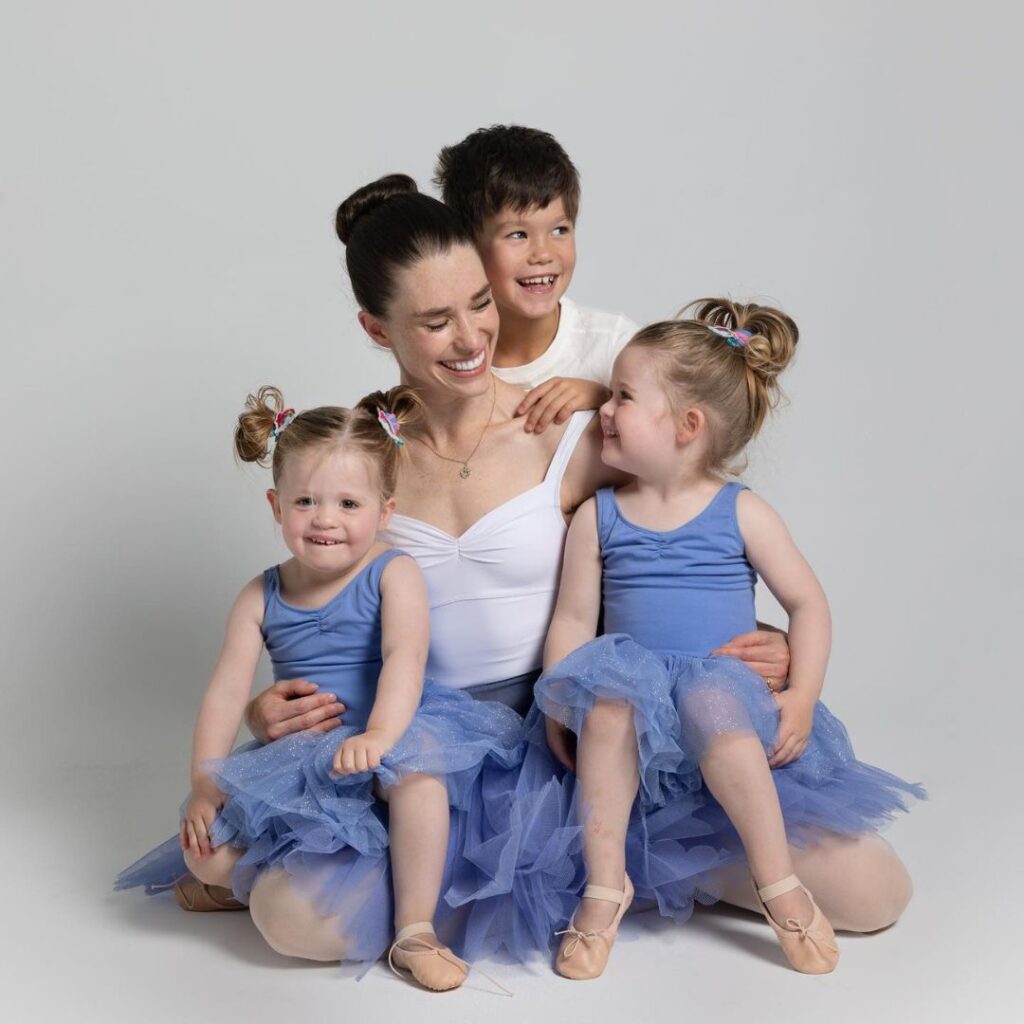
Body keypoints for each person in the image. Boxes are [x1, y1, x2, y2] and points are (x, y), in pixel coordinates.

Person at [230, 177, 909, 964]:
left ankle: (621, 859)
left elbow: (679, 528)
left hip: (565, 740)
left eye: (480, 302)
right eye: (435, 320)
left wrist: (764, 636)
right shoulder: (358, 454)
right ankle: (465, 878)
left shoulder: (570, 432)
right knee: (294, 921)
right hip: (427, 748)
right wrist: (268, 710)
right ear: (376, 328)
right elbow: (315, 597)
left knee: (874, 892)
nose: (471, 336)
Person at [534, 300, 924, 979]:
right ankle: (605, 889)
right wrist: (559, 695)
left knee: (715, 708)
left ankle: (779, 885)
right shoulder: (599, 517)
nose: (604, 408)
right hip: (633, 686)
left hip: (717, 681)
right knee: (608, 707)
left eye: (623, 397)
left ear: (688, 426)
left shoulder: (739, 510)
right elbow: (571, 619)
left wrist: (802, 696)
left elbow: (808, 604)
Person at [117, 385, 526, 991]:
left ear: (385, 511)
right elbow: (226, 694)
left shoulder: (393, 571)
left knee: (420, 775)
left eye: (347, 503)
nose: (325, 519)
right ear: (275, 505)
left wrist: (383, 735)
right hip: (305, 754)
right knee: (202, 848)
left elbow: (404, 658)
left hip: (390, 727)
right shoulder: (260, 594)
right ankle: (243, 882)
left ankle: (415, 928)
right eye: (305, 500)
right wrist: (204, 784)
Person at [435, 125, 637, 433]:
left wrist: (605, 396)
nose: (543, 254)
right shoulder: (451, 359)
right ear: (468, 245)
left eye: (559, 230)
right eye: (517, 234)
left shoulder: (615, 348)